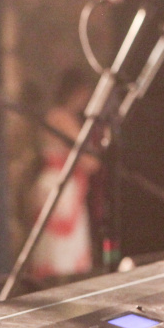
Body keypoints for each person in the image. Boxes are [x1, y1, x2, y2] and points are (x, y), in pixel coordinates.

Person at [26, 67, 101, 280]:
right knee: (60, 261)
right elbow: (89, 161)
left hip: (58, 187)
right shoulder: (61, 117)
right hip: (60, 191)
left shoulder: (55, 116)